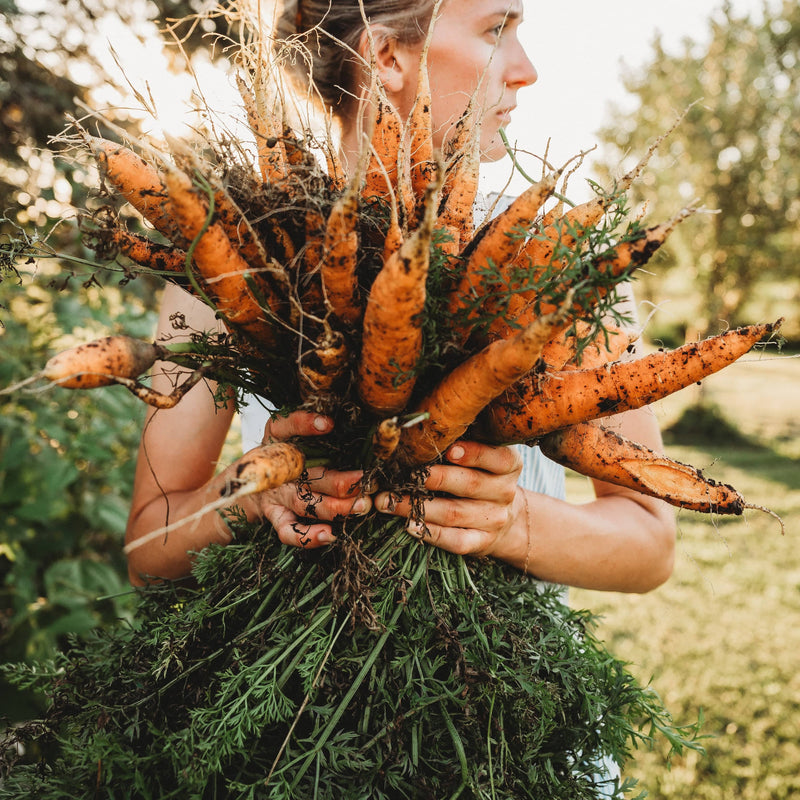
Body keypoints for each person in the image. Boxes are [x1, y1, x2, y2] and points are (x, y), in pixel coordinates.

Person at [124, 0, 676, 599]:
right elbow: (148, 557)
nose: (526, 71)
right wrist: (247, 497)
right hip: (305, 660)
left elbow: (650, 546)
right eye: (497, 29)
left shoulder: (558, 255)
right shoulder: (235, 260)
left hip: (507, 657)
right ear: (387, 56)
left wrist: (512, 522)